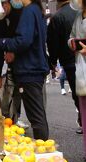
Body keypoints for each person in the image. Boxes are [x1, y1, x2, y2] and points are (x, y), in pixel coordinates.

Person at [0, 0, 49, 140]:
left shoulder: (29, 11)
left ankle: (44, 152)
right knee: (37, 115)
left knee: (36, 117)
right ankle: (44, 149)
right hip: (33, 68)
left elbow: (23, 40)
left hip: (29, 70)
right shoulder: (36, 10)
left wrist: (3, 43)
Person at [0, 0, 29, 128]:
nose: (2, 8)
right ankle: (10, 123)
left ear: (10, 3)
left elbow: (26, 40)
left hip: (29, 67)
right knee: (9, 99)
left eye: (4, 4)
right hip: (12, 68)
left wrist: (14, 52)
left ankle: (40, 138)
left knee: (34, 108)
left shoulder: (22, 15)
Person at [47, 0, 82, 134]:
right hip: (82, 56)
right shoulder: (81, 11)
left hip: (69, 61)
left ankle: (83, 120)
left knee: (78, 93)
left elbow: (53, 43)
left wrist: (53, 62)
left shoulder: (57, 17)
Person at [68, 0, 86, 158]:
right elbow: (72, 36)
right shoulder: (79, 15)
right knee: (84, 112)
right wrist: (72, 43)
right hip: (81, 69)